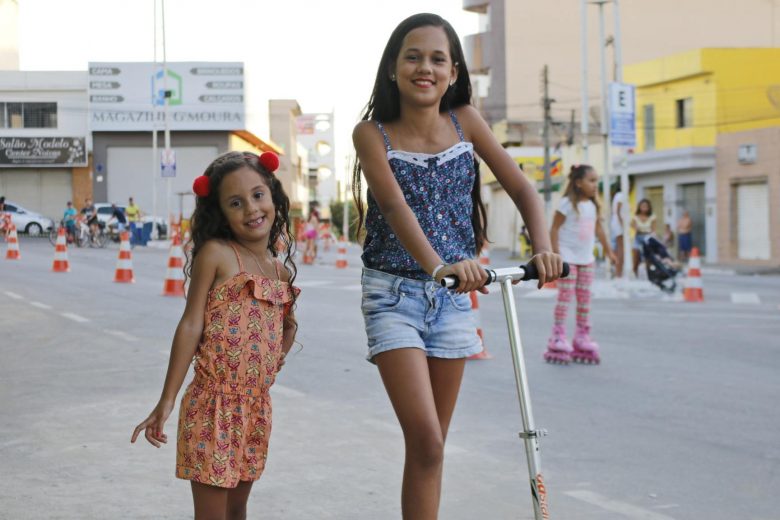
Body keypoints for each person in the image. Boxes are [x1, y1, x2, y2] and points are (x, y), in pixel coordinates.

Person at [351, 13, 562, 518]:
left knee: (433, 448)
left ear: (453, 71)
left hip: (452, 301)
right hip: (394, 296)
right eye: (413, 56)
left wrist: (543, 246)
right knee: (425, 438)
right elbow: (396, 208)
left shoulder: (465, 120)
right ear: (393, 69)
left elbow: (522, 187)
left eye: (437, 59)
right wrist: (439, 265)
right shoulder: (371, 133)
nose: (425, 67)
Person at [131, 151, 300, 519]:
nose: (251, 209)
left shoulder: (279, 272)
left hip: (256, 407)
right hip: (212, 407)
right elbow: (190, 324)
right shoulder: (217, 254)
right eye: (235, 203)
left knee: (238, 509)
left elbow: (288, 323)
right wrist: (167, 400)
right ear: (220, 212)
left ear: (273, 195)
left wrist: (274, 356)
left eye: (258, 195)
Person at [545, 165, 616, 365]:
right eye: (591, 181)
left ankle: (582, 336)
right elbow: (554, 228)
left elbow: (599, 230)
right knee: (565, 298)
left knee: (584, 301)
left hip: (587, 259)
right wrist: (556, 255)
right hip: (568, 259)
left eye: (596, 181)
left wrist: (609, 251)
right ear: (578, 183)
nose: (596, 185)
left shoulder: (593, 206)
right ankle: (558, 335)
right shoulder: (567, 204)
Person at [631, 198, 656, 277]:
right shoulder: (635, 217)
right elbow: (632, 225)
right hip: (638, 236)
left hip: (647, 236)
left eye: (646, 206)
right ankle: (635, 271)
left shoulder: (653, 217)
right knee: (636, 253)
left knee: (648, 255)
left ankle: (649, 273)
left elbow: (653, 229)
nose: (644, 208)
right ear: (639, 207)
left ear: (649, 207)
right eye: (642, 206)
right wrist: (635, 227)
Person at [610, 186, 627, 278]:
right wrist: (623, 224)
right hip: (618, 224)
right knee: (621, 248)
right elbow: (618, 210)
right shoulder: (621, 195)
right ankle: (618, 272)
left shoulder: (617, 195)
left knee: (617, 248)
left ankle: (617, 270)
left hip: (616, 223)